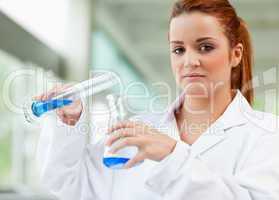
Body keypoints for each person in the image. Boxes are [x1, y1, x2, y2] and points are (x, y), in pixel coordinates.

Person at [36, 0, 279, 199]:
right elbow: (70, 185)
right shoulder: (140, 129)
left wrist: (172, 156)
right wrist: (69, 122)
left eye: (205, 47)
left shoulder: (267, 134)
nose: (189, 61)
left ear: (235, 54)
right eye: (178, 49)